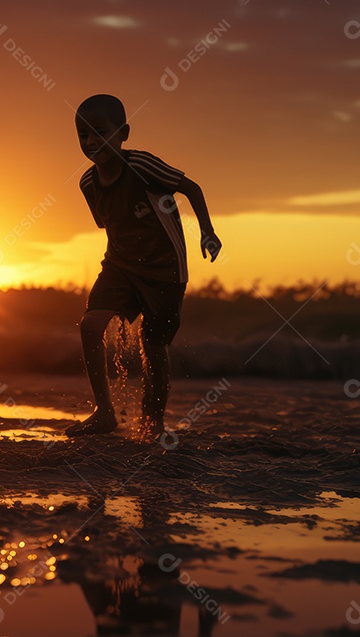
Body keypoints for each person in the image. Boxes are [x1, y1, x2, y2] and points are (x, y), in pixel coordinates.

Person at [67, 94, 221, 438]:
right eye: (83, 135)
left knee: (154, 347)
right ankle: (105, 412)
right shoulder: (88, 183)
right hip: (120, 266)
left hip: (165, 270)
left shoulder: (142, 166)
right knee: (90, 324)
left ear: (123, 132)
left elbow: (191, 188)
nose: (91, 141)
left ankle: (154, 422)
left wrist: (207, 232)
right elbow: (106, 223)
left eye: (100, 132)